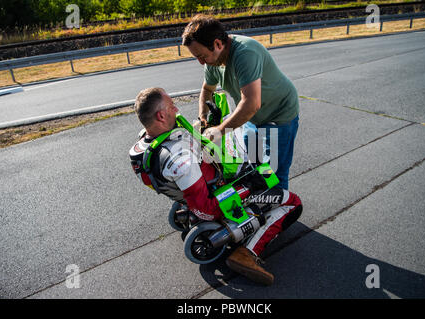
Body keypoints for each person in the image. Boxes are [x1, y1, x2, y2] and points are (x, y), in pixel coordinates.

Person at [129, 87, 302, 286]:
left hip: (211, 174)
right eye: (171, 106)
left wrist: (212, 123)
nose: (176, 109)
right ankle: (246, 253)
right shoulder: (179, 160)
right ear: (160, 115)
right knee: (292, 202)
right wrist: (246, 187)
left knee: (253, 145)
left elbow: (193, 145)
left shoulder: (144, 145)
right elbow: (206, 210)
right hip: (218, 192)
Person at [182, 14, 300, 190]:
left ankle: (282, 208)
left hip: (279, 115)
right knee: (256, 167)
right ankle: (263, 199)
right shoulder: (213, 61)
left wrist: (220, 131)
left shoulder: (245, 53)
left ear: (217, 44)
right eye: (196, 57)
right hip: (252, 119)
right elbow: (207, 89)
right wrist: (203, 118)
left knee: (274, 172)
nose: (200, 62)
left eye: (202, 56)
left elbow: (251, 103)